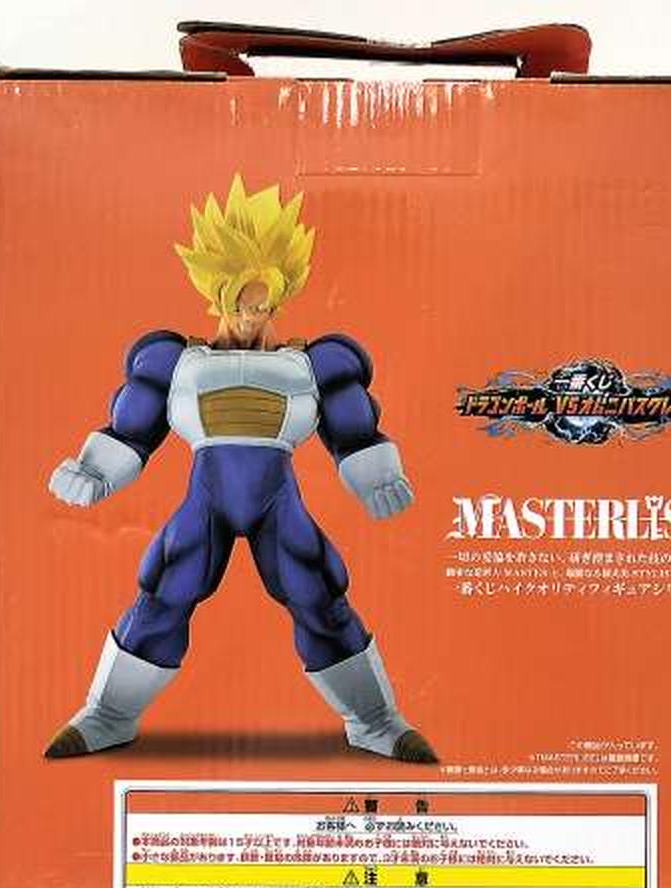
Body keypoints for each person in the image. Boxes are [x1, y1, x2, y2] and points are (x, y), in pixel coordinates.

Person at [45, 173, 436, 764]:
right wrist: (94, 470)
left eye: (263, 303)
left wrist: (377, 477)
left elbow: (353, 430)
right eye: (242, 302)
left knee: (317, 590)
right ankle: (108, 715)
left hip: (278, 503)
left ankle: (376, 720)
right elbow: (132, 428)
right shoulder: (175, 361)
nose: (253, 315)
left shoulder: (313, 364)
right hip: (207, 502)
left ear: (278, 297)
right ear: (219, 293)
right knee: (166, 587)